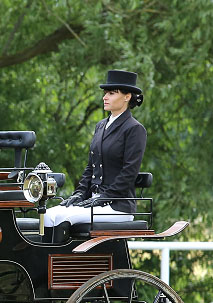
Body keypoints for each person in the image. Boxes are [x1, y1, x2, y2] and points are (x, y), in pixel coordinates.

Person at [44, 69, 146, 229]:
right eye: (105, 93)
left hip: (117, 206)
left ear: (127, 97)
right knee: (48, 216)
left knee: (63, 218)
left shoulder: (134, 129)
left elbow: (129, 172)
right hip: (93, 201)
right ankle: (47, 255)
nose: (105, 97)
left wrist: (104, 197)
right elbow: (90, 168)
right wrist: (79, 194)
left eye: (111, 93)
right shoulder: (100, 126)